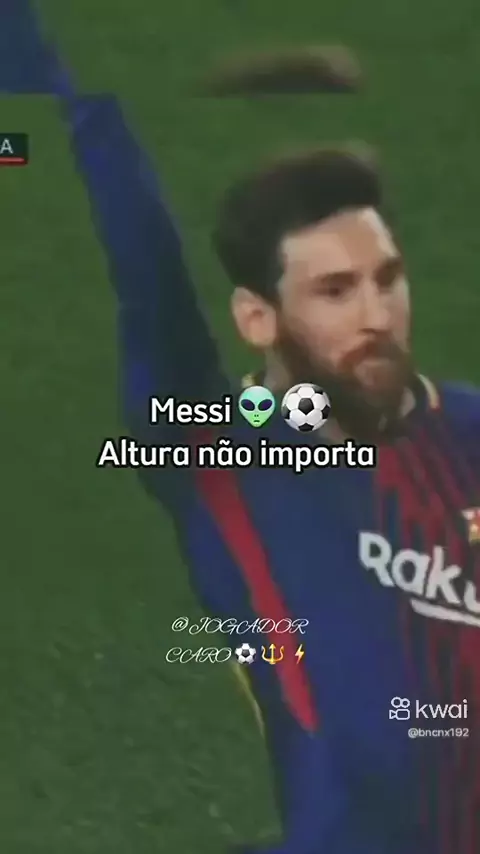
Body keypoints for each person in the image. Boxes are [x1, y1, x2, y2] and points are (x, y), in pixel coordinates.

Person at [6, 3, 480, 853]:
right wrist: (78, 108)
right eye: (335, 291)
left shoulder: (469, 429)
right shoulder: (222, 450)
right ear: (258, 318)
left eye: (387, 279)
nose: (377, 315)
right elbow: (148, 284)